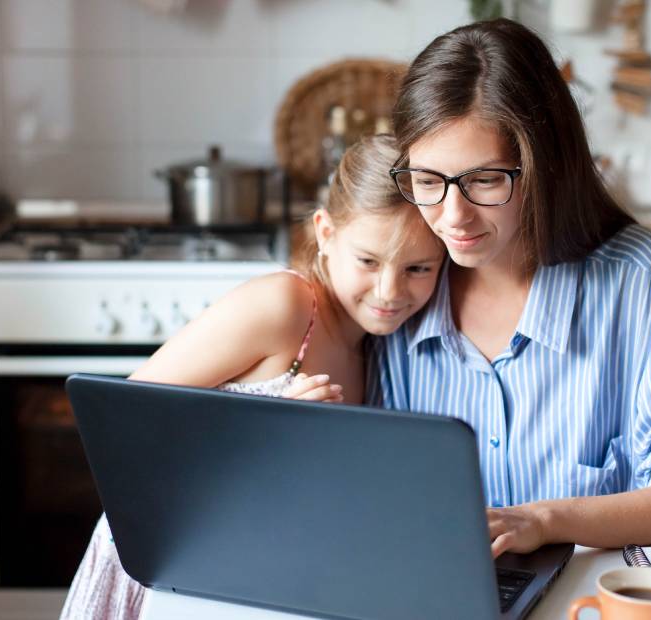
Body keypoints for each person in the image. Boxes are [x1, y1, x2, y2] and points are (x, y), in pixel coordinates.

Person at [369, 18, 651, 559]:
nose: (451, 216)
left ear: (544, 166)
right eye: (428, 181)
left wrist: (546, 519)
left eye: (484, 180)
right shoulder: (397, 280)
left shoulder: (641, 282)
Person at [59, 134, 447, 619]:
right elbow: (120, 420)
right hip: (162, 564)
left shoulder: (380, 346)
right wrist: (269, 432)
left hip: (243, 570)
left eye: (418, 268)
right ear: (325, 233)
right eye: (367, 261)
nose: (390, 291)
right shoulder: (285, 307)